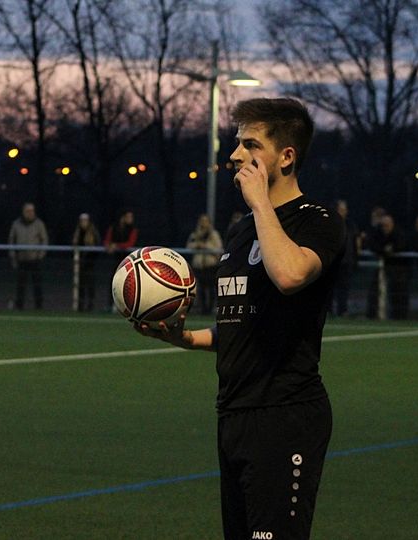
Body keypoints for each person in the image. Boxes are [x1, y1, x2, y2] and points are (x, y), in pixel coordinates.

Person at [135, 98, 345, 540]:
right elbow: (240, 323)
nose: (235, 155)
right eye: (237, 143)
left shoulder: (318, 222)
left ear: (286, 157)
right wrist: (183, 337)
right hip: (234, 414)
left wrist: (261, 205)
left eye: (251, 145)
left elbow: (289, 275)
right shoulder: (241, 229)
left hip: (285, 415)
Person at [8, 202, 48, 310]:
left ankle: (39, 306)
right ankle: (19, 306)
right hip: (21, 259)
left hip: (35, 259)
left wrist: (40, 255)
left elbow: (44, 240)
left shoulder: (39, 224)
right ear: (23, 212)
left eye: (32, 211)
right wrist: (13, 256)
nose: (30, 213)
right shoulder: (16, 224)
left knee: (37, 284)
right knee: (20, 285)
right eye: (28, 211)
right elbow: (11, 240)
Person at [369, 214, 409, 319]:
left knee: (398, 292)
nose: (384, 228)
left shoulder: (398, 233)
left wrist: (392, 249)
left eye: (387, 225)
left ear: (392, 224)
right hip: (383, 266)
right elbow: (372, 245)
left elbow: (402, 245)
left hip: (397, 267)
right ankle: (373, 314)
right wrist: (384, 250)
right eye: (383, 225)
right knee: (376, 291)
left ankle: (399, 316)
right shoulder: (378, 233)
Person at [186, 213, 223, 314]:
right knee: (200, 289)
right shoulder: (195, 234)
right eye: (202, 221)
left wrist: (205, 246)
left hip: (210, 266)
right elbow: (189, 246)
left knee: (211, 289)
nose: (203, 223)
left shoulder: (214, 235)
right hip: (198, 266)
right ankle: (202, 310)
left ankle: (209, 310)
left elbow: (219, 248)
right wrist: (197, 244)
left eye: (205, 221)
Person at [329, 200, 359, 317]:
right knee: (330, 288)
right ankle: (328, 310)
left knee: (344, 288)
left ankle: (342, 310)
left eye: (345, 209)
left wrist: (355, 258)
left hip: (346, 262)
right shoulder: (330, 223)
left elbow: (356, 242)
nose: (345, 212)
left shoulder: (350, 225)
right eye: (342, 209)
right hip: (333, 262)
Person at [104, 210, 138, 308]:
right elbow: (107, 240)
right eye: (128, 217)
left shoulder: (133, 229)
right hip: (117, 260)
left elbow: (130, 243)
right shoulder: (114, 228)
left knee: (129, 284)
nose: (130, 219)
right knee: (114, 281)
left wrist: (116, 246)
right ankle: (111, 305)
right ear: (122, 218)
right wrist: (108, 246)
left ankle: (128, 306)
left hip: (130, 261)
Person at [71, 213, 101, 311]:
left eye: (85, 220)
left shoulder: (93, 232)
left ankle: (90, 305)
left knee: (90, 284)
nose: (83, 223)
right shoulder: (78, 231)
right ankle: (80, 305)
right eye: (82, 221)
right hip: (80, 263)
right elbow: (75, 244)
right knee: (80, 285)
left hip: (90, 263)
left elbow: (97, 246)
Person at [363, 206, 386, 319]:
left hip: (380, 261)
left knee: (379, 289)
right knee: (373, 289)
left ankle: (377, 313)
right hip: (374, 261)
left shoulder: (380, 229)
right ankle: (371, 313)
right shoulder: (372, 228)